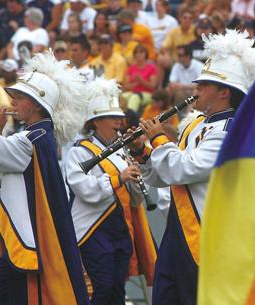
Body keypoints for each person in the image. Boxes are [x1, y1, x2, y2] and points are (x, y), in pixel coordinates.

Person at [129, 30, 255, 305]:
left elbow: (183, 170)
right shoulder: (194, 124)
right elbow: (165, 175)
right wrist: (142, 152)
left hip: (204, 236)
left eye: (204, 85)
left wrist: (157, 138)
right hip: (177, 231)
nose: (196, 89)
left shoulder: (230, 132)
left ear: (224, 92)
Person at [0, 50, 90, 305]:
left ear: (36, 104)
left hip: (26, 242)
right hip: (23, 242)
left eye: (20, 97)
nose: (12, 103)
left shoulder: (30, 140)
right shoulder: (39, 137)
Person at [65, 77, 156, 305]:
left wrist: (135, 177)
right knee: (100, 288)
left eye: (119, 117)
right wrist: (118, 178)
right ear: (95, 122)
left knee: (117, 288)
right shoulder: (80, 152)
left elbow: (133, 196)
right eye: (112, 118)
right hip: (93, 229)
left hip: (120, 226)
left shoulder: (121, 149)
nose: (119, 122)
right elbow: (85, 190)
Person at [122, 44, 158, 112]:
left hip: (147, 94)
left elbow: (153, 86)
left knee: (135, 97)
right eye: (136, 52)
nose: (138, 54)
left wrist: (141, 80)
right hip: (132, 92)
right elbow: (126, 86)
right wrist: (136, 83)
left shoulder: (151, 68)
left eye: (141, 52)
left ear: (146, 54)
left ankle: (130, 116)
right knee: (122, 97)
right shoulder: (131, 68)